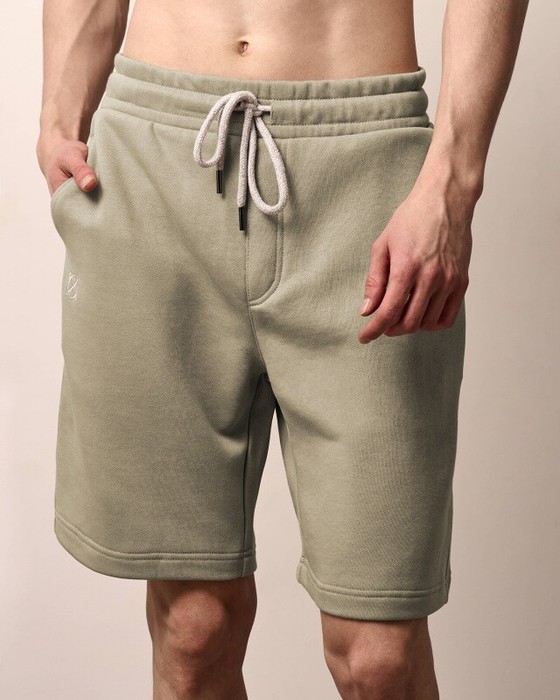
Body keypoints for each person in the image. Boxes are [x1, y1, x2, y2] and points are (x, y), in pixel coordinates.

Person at [36, 0, 529, 697]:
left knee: (378, 656)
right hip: (153, 158)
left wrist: (453, 183)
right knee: (192, 629)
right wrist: (59, 114)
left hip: (366, 167)